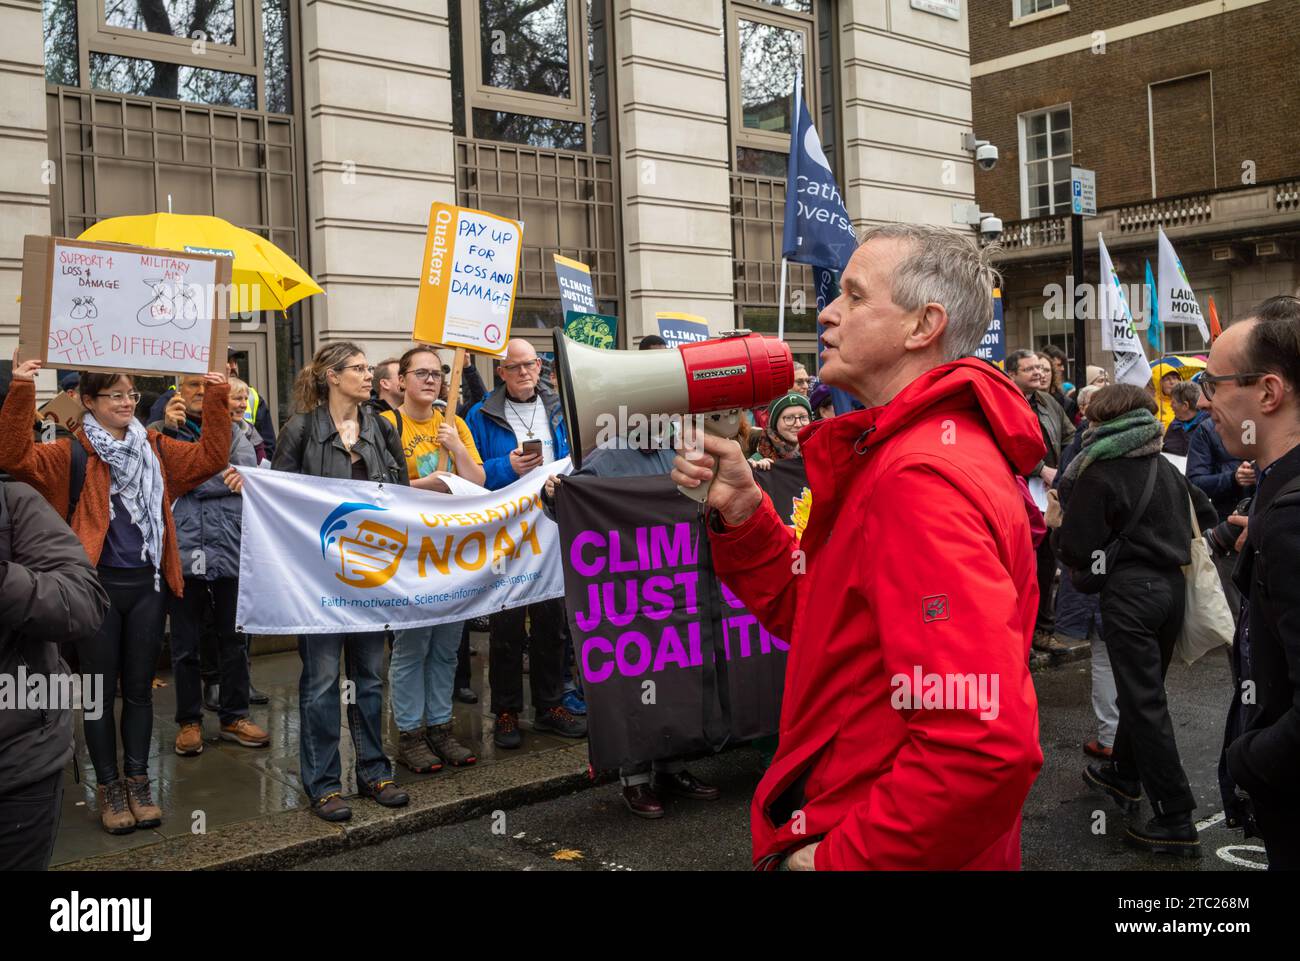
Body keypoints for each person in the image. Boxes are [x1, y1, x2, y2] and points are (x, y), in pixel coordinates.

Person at [673, 224, 1044, 870]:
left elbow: (984, 744)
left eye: (853, 295)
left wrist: (834, 861)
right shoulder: (916, 452)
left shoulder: (919, 477)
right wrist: (745, 510)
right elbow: (826, 619)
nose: (827, 312)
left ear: (923, 325)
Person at [1, 351, 230, 835]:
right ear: (88, 401)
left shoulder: (158, 449)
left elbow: (213, 456)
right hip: (98, 590)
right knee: (98, 695)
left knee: (141, 693)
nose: (127, 402)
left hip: (147, 586)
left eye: (131, 394)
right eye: (115, 395)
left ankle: (140, 781)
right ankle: (108, 787)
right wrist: (23, 387)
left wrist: (216, 393)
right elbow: (14, 457)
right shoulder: (71, 453)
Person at [1055, 384, 1217, 857]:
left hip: (1129, 596)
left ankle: (1176, 816)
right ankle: (1124, 775)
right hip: (1170, 591)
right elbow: (1204, 511)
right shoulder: (1163, 464)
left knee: (1145, 703)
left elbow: (1075, 551)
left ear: (1101, 423)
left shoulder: (1099, 471)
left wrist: (1055, 531)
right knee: (1144, 693)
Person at [541, 440, 720, 819]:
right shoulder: (606, 458)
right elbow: (570, 506)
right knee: (636, 680)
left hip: (677, 585)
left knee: (676, 678)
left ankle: (671, 769)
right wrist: (553, 493)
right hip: (628, 592)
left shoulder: (683, 451)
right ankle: (634, 777)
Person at [273, 342, 410, 821]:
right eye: (357, 369)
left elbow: (404, 498)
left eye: (369, 368)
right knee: (322, 683)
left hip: (370, 577)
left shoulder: (381, 428)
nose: (368, 376)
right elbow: (280, 502)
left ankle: (374, 771)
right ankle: (325, 784)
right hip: (320, 581)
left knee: (370, 680)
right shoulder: (300, 430)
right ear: (331, 376)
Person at [1205, 296, 1300, 869]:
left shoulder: (1290, 517)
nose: (1204, 399)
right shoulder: (1275, 496)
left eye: (1213, 382)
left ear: (1267, 392)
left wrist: (1248, 760)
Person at [465, 339, 585, 749]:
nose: (523, 373)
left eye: (530, 365)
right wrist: (506, 467)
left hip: (552, 529)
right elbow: (470, 474)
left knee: (553, 622)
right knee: (507, 626)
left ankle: (551, 705)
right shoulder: (480, 415)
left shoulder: (559, 408)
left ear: (540, 366)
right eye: (514, 367)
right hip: (508, 535)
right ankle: (506, 711)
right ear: (501, 372)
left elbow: (578, 457)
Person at [149, 373, 268, 758]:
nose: (201, 393)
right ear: (178, 393)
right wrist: (210, 473)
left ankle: (235, 716)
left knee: (234, 638)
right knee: (186, 644)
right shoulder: (161, 431)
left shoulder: (236, 429)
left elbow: (244, 473)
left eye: (206, 387)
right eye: (192, 387)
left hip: (231, 547)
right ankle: (189, 721)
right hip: (183, 550)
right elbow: (167, 480)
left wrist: (194, 475)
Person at [379, 345, 482, 773]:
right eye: (419, 373)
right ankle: (410, 733)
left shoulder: (453, 423)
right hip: (408, 553)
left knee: (446, 646)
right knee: (412, 646)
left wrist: (456, 448)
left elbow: (477, 480)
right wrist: (435, 481)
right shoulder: (386, 424)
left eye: (436, 373)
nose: (430, 380)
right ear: (401, 380)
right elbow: (384, 486)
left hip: (450, 551)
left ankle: (440, 727)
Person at [0, 481, 108, 869]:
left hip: (17, 766)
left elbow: (82, 602)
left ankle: (122, 783)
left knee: (127, 692)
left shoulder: (12, 502)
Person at [1049, 383, 1114, 759]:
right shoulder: (1151, 454)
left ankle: (1111, 738)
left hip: (1100, 575)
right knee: (1134, 662)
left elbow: (1065, 507)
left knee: (1105, 657)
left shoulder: (1083, 457)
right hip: (1145, 582)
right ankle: (1132, 739)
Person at [1006, 348, 1075, 654]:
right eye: (1030, 369)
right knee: (1020, 565)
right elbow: (1004, 441)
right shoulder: (1004, 402)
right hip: (1017, 491)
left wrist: (1066, 465)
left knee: (1048, 562)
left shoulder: (1049, 402)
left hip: (1049, 496)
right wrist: (1039, 468)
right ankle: (1017, 635)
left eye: (1040, 367)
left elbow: (1070, 436)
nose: (1038, 372)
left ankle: (1043, 632)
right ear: (1012, 375)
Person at [750, 391, 810, 470]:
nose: (798, 424)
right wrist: (756, 469)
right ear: (774, 423)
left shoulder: (820, 454)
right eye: (789, 418)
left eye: (803, 417)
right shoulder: (757, 461)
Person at [1161, 379, 1208, 457]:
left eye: (1173, 402)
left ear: (1185, 406)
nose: (1171, 405)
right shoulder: (1174, 425)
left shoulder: (1208, 427)